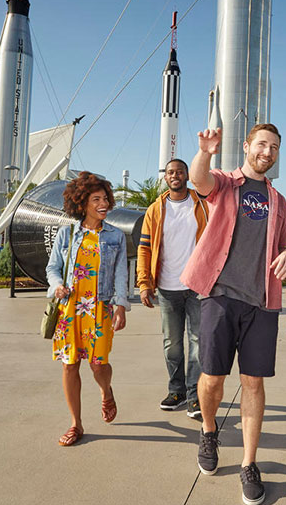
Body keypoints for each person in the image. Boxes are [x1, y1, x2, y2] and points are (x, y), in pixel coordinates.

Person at [180, 124, 286, 505]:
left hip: (261, 303)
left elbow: (283, 245)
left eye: (274, 146)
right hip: (220, 295)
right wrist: (207, 152)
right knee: (212, 379)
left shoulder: (278, 200)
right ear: (247, 146)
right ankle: (209, 431)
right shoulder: (226, 183)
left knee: (253, 384)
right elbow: (199, 180)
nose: (268, 151)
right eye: (262, 143)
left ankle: (249, 462)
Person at [45, 172, 128, 447]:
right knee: (70, 365)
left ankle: (106, 391)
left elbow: (120, 274)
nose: (103, 203)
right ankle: (75, 424)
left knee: (98, 364)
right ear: (82, 204)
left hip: (100, 307)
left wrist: (121, 306)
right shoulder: (67, 233)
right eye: (96, 199)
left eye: (105, 198)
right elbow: (53, 268)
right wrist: (57, 285)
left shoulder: (115, 236)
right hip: (71, 309)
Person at [136, 158, 209, 420]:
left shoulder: (202, 204)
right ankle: (176, 391)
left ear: (187, 175)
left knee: (198, 343)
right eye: (170, 172)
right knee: (172, 344)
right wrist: (145, 283)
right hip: (167, 287)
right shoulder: (155, 210)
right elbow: (144, 248)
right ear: (165, 178)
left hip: (197, 286)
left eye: (179, 171)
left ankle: (194, 396)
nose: (175, 175)